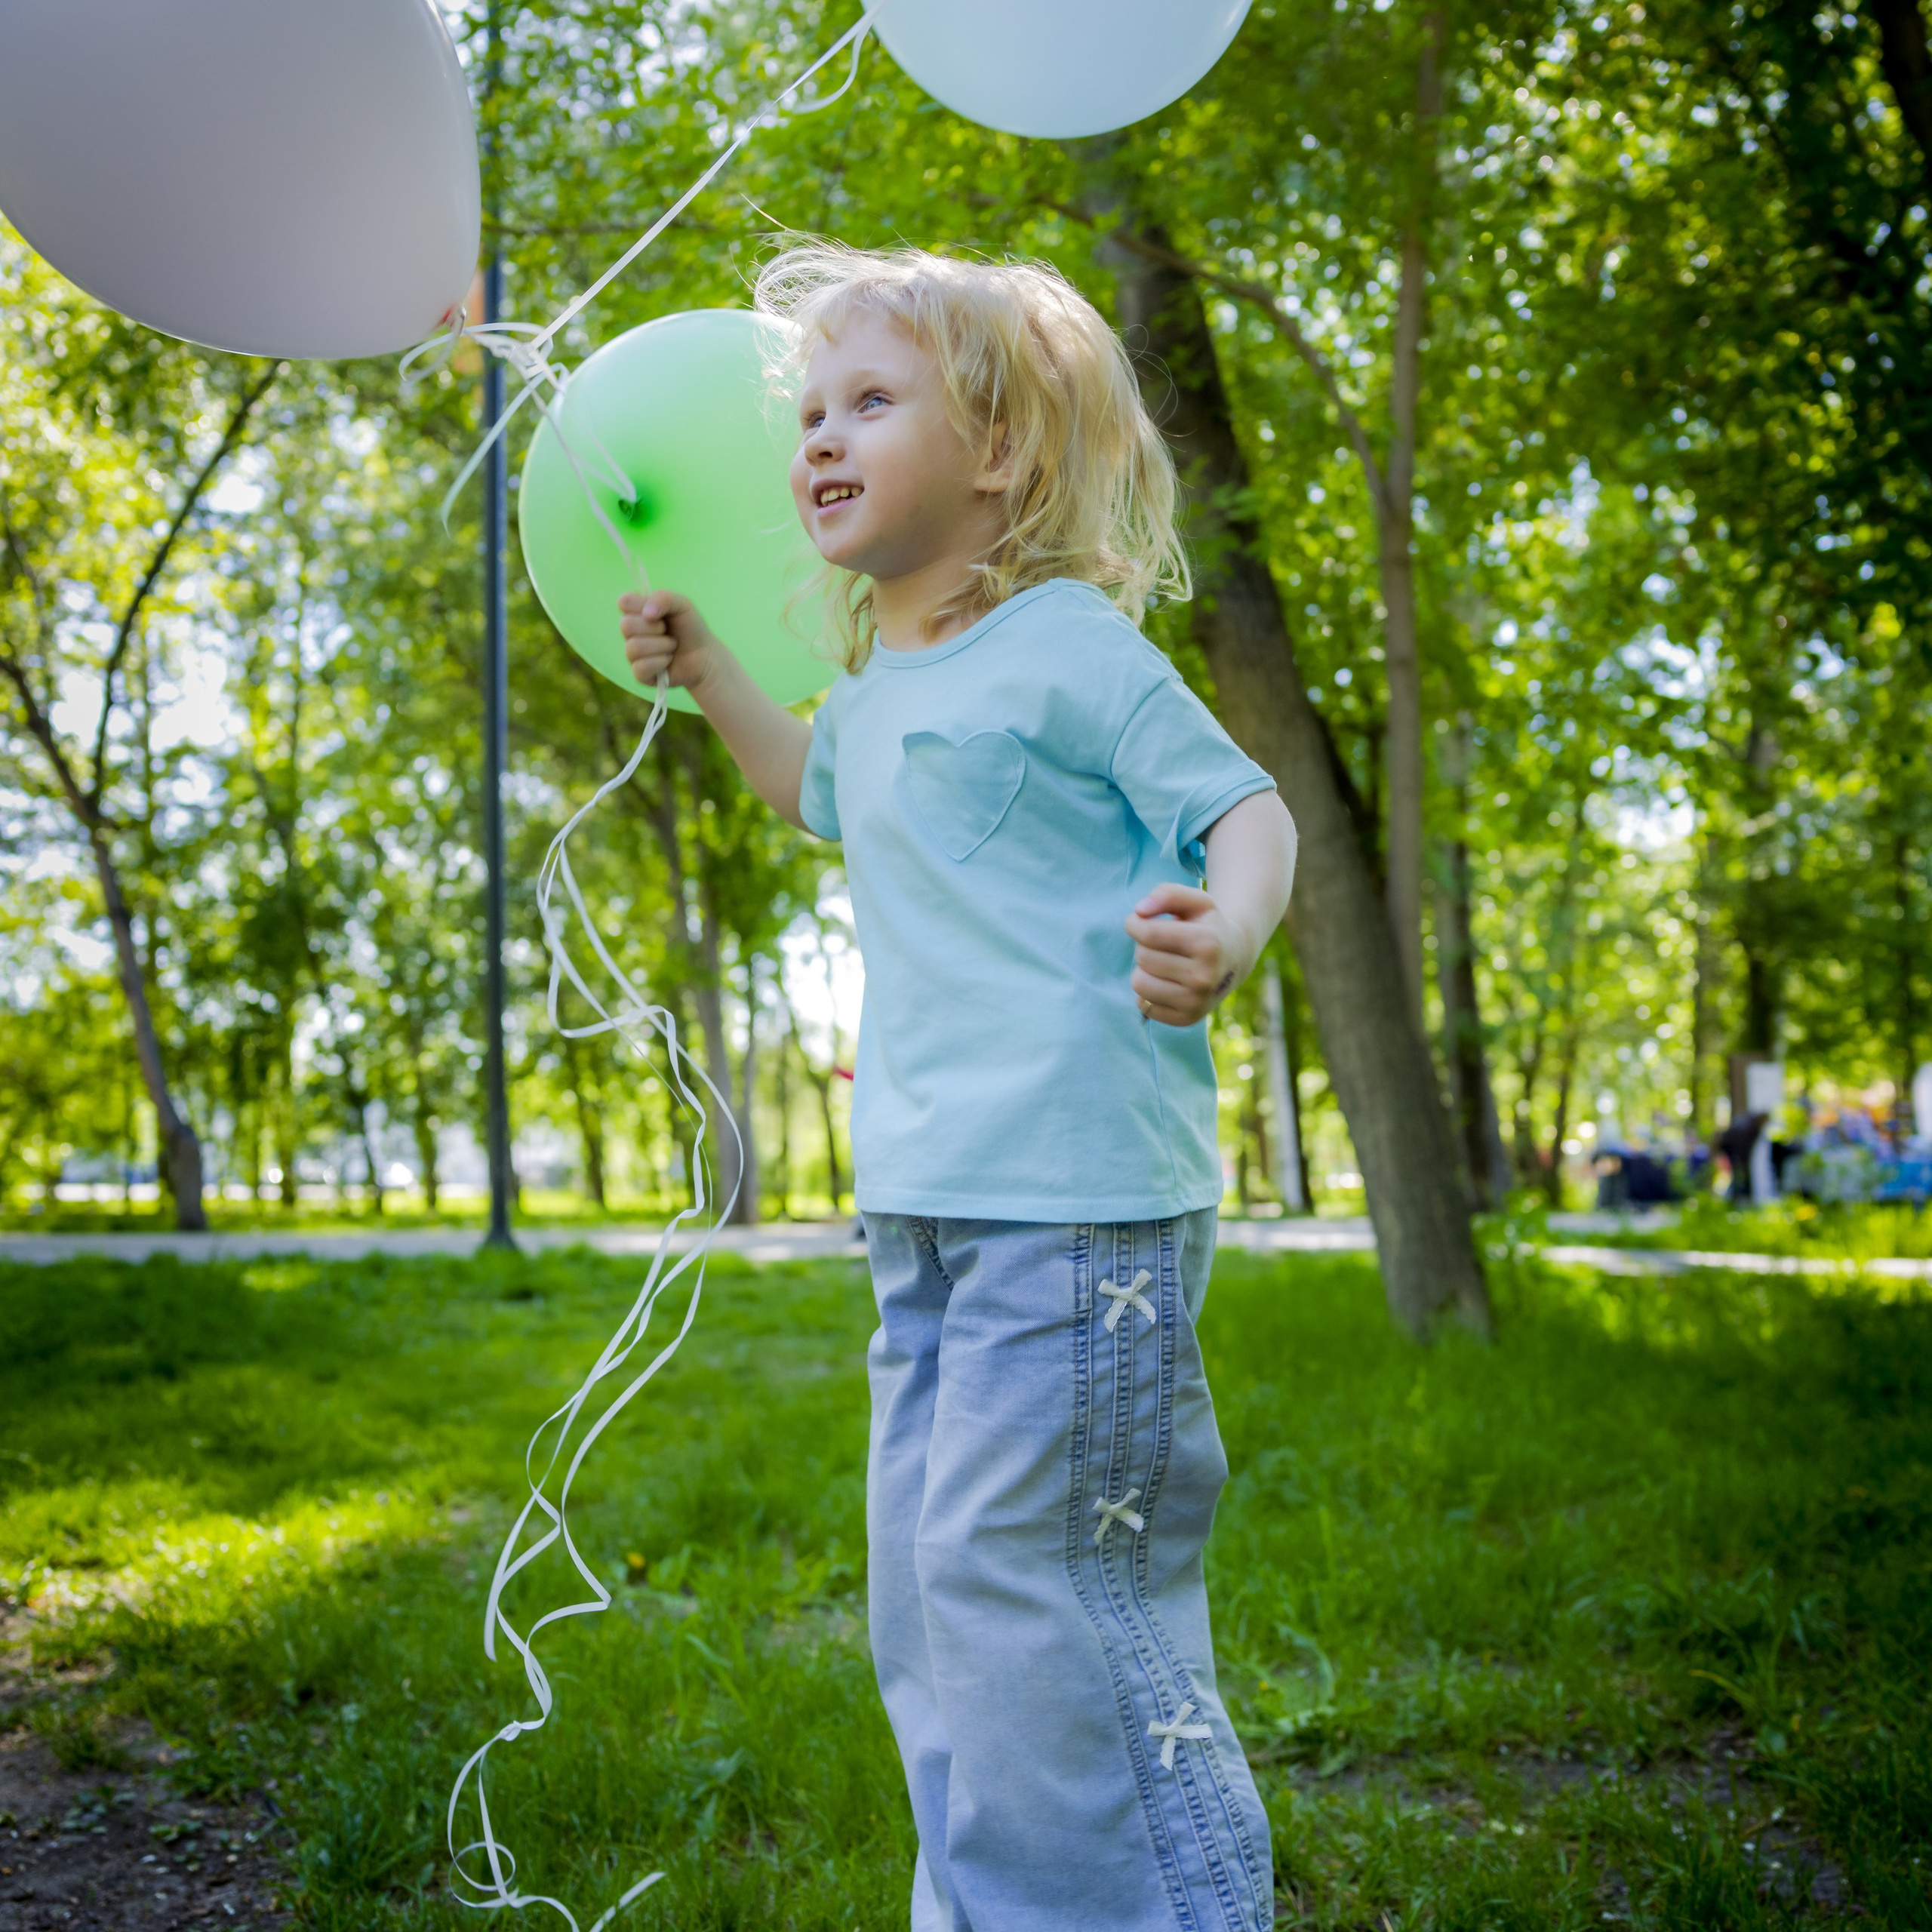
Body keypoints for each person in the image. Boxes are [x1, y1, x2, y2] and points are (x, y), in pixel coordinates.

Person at [619, 242, 1294, 1932]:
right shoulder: (877, 685)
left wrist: (1224, 927)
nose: (817, 439)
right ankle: (991, 1899)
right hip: (921, 1212)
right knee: (932, 1597)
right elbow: (814, 791)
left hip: (1077, 1214)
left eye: (867, 399)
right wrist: (711, 674)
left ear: (991, 451)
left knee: (1038, 1586)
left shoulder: (1066, 643)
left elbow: (1246, 808)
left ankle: (1161, 1906)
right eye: (809, 411)